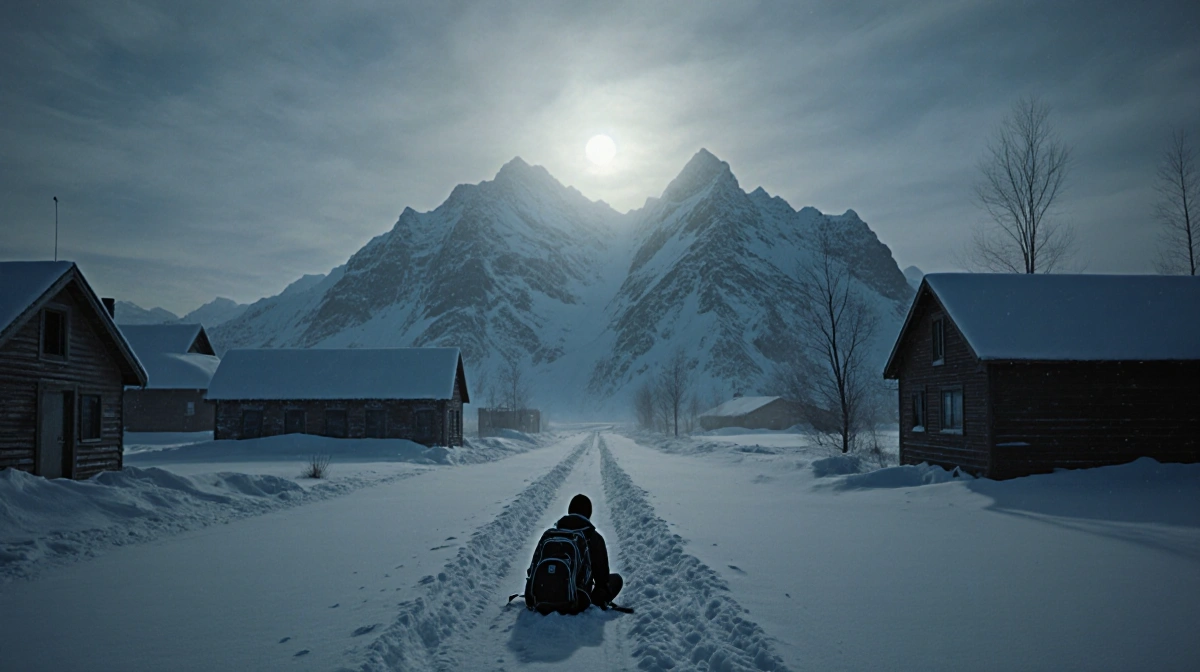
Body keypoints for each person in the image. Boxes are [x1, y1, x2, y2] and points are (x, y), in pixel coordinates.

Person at [555, 493, 623, 609]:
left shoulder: (553, 534)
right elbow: (602, 579)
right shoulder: (594, 537)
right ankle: (592, 601)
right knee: (616, 580)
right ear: (588, 514)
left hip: (547, 592)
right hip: (578, 599)